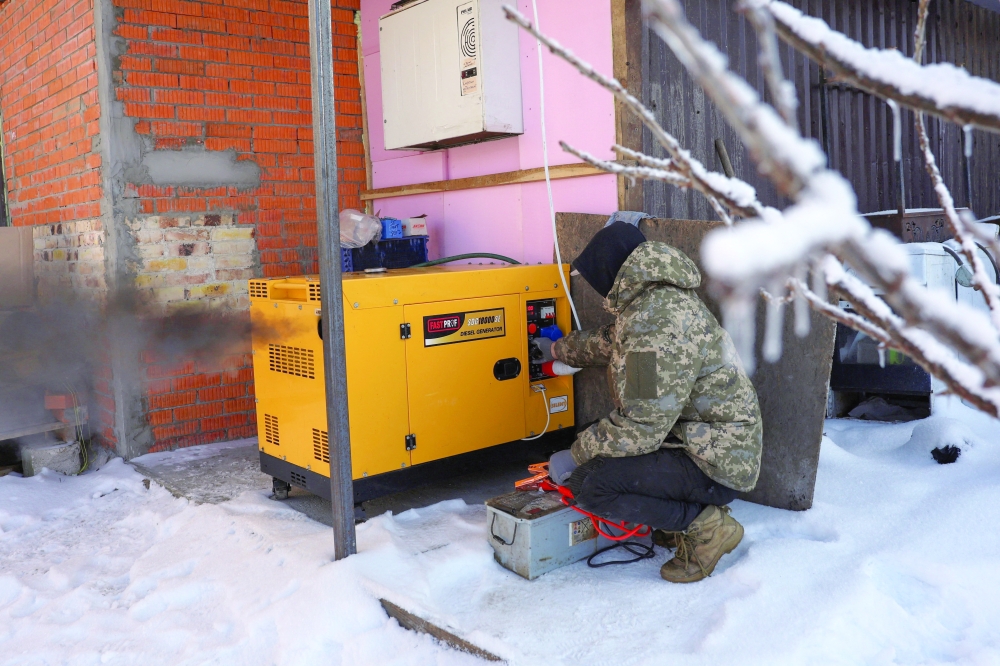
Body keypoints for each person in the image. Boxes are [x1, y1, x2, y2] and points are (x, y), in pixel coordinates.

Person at [540, 221, 762, 583]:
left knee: (594, 485)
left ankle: (707, 527)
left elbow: (642, 427)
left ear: (611, 273)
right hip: (713, 446)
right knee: (598, 457)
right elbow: (612, 341)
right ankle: (676, 517)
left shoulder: (653, 322)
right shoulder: (657, 301)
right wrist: (557, 349)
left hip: (715, 462)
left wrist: (577, 453)